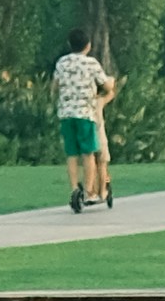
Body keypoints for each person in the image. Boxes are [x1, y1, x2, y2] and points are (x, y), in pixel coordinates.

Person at [49, 29, 117, 215]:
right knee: (88, 154)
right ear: (88, 45)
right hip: (85, 114)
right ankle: (88, 192)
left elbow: (54, 86)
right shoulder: (91, 64)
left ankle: (74, 189)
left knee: (72, 154)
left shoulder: (62, 62)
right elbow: (106, 85)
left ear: (70, 44)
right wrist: (110, 83)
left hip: (66, 113)